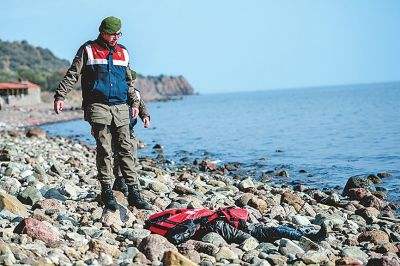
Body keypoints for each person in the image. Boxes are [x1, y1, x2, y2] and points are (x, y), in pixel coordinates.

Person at [53, 16, 152, 211]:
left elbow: (129, 83)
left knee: (126, 149)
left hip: (121, 108)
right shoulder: (88, 49)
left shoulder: (123, 52)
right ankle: (107, 191)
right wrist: (60, 95)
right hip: (97, 107)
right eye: (113, 34)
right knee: (105, 149)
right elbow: (73, 73)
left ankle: (134, 192)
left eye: (119, 34)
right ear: (103, 33)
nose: (116, 37)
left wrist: (138, 106)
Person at [112, 88, 150, 196]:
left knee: (132, 153)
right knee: (118, 153)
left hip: (129, 127)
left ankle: (128, 181)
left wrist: (145, 117)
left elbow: (140, 104)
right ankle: (119, 180)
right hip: (116, 126)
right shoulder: (118, 87)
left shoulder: (135, 92)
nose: (131, 82)